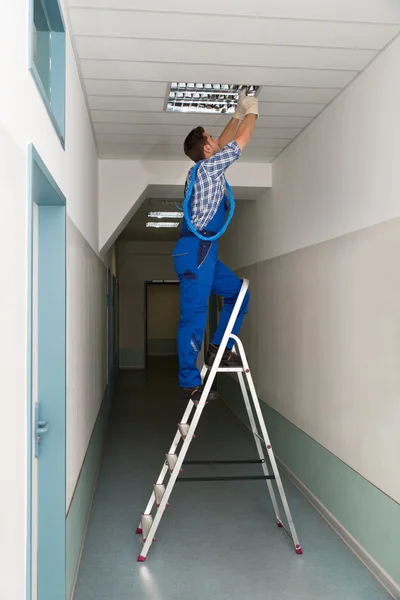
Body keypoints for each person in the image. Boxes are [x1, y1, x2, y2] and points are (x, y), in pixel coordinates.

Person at [173, 89, 259, 403]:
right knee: (193, 317)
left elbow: (221, 144)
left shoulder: (203, 167)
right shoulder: (209, 169)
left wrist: (235, 113)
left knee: (240, 293)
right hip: (196, 250)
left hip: (203, 251)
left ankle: (219, 349)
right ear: (206, 148)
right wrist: (252, 109)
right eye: (211, 139)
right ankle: (189, 383)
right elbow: (241, 141)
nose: (215, 142)